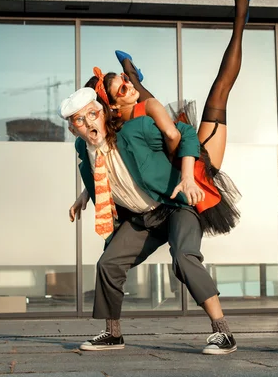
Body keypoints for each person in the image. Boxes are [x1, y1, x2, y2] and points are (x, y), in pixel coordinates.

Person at [60, 85, 236, 355]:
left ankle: (222, 331)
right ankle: (113, 334)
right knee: (108, 263)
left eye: (93, 114)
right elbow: (102, 170)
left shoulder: (135, 131)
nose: (89, 123)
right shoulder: (84, 150)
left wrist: (187, 176)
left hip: (174, 205)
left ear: (104, 113)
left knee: (184, 257)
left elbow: (186, 133)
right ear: (74, 130)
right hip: (143, 219)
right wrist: (84, 195)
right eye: (80, 121)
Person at [71, 0, 251, 236]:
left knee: (215, 95)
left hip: (191, 162)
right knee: (159, 107)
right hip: (181, 173)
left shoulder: (138, 114)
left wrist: (173, 146)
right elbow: (105, 163)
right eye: (122, 86)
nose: (125, 88)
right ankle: (134, 74)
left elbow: (174, 136)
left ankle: (240, 19)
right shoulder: (114, 132)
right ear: (109, 106)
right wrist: (86, 194)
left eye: (125, 80)